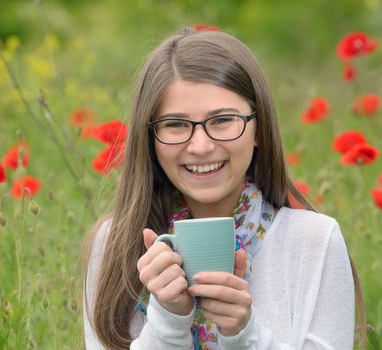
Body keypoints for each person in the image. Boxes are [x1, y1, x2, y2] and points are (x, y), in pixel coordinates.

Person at [83, 27, 366, 350]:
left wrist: (245, 336)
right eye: (176, 124)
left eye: (222, 120)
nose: (201, 146)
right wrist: (168, 321)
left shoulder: (314, 241)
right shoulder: (115, 245)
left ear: (259, 129)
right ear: (150, 140)